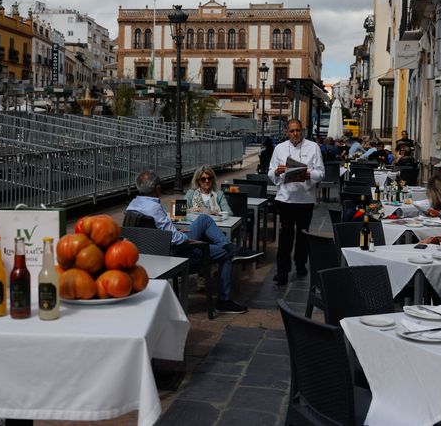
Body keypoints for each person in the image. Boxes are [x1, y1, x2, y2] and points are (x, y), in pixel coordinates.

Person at [126, 169, 256, 314]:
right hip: (172, 254)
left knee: (204, 219)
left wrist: (174, 233)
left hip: (150, 251)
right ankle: (224, 300)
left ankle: (230, 247)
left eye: (209, 179)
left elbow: (154, 232)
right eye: (203, 179)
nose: (206, 181)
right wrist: (184, 238)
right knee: (225, 254)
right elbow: (176, 240)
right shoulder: (155, 208)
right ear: (157, 188)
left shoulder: (133, 205)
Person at [267, 118, 324, 285]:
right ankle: (282, 272)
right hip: (285, 198)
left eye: (298, 130)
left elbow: (320, 172)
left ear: (302, 131)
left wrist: (308, 175)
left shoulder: (313, 147)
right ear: (287, 132)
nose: (295, 134)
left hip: (305, 199)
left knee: (303, 235)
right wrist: (277, 171)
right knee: (285, 236)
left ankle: (300, 265)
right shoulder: (279, 148)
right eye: (292, 131)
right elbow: (270, 171)